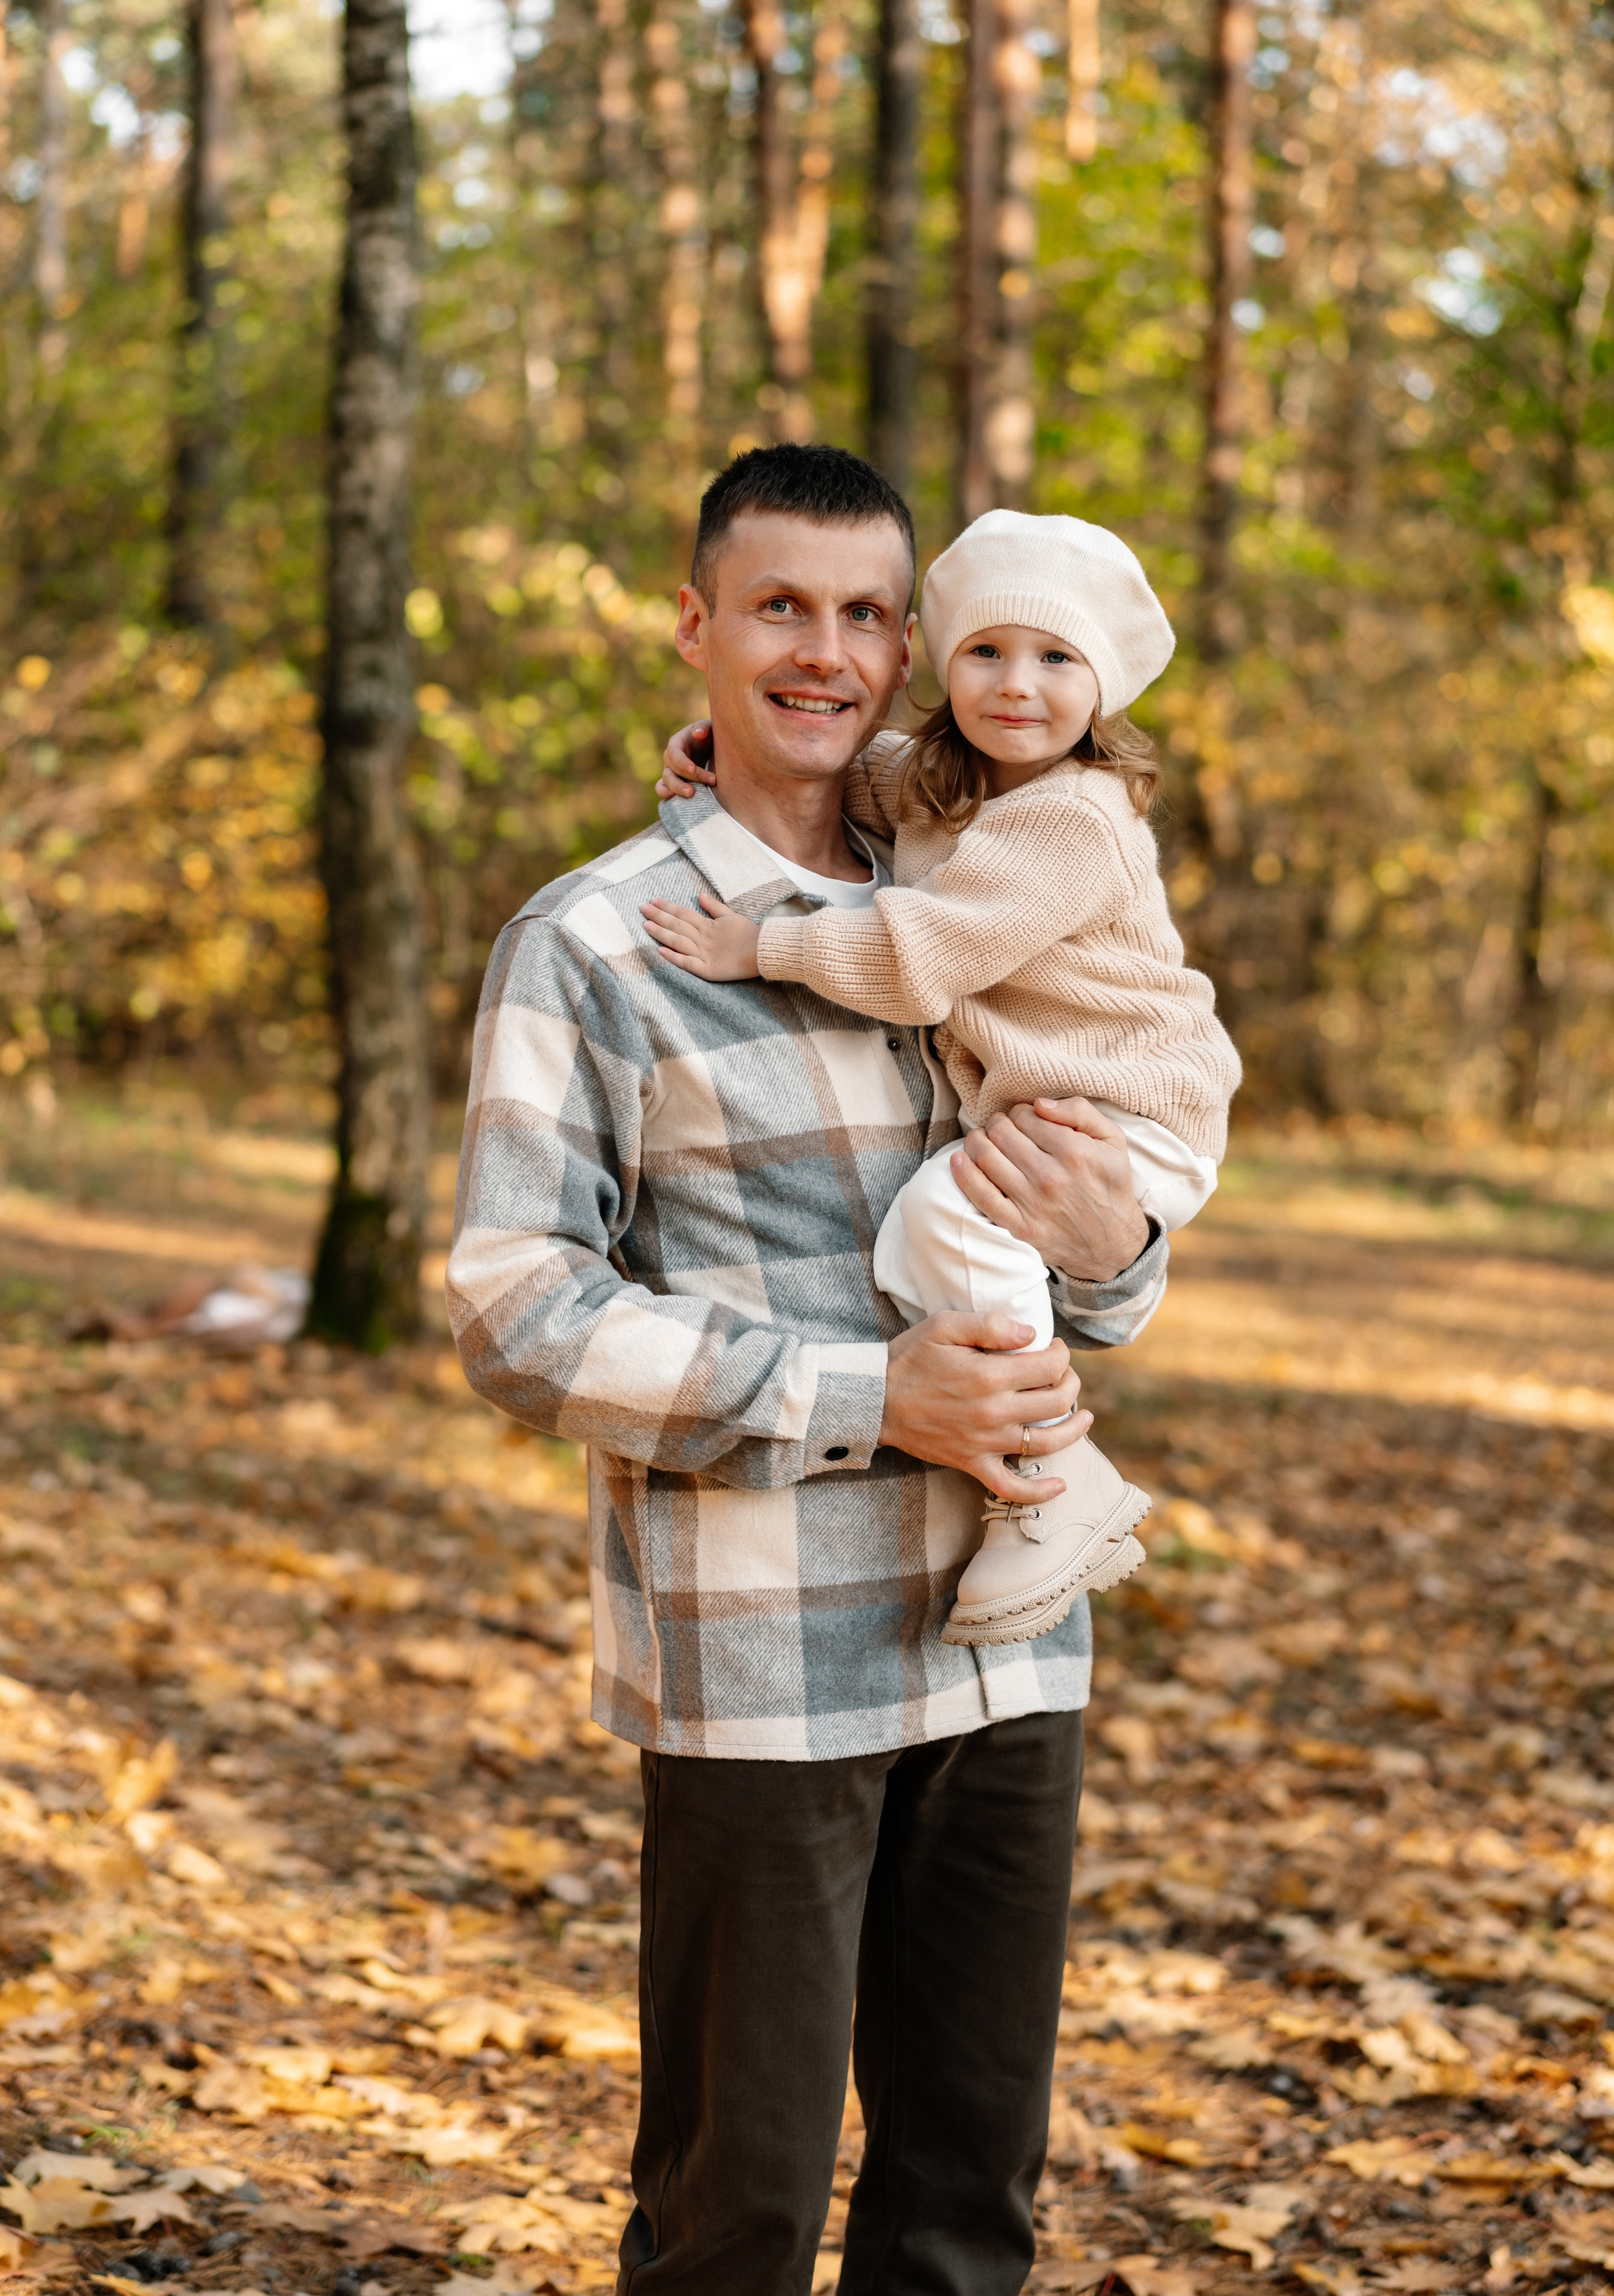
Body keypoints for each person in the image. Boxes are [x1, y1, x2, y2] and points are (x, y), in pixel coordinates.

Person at [446, 445, 1170, 2296]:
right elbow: (517, 1307)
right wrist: (869, 1394)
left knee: (963, 2207)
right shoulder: (594, 942)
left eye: (866, 614)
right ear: (697, 625)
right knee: (737, 2215)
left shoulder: (979, 888)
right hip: (765, 1655)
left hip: (1010, 1645)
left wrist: (1118, 1250)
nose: (824, 651)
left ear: (910, 642)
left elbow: (1090, 1257)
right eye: (779, 605)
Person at [644, 508, 1239, 1652]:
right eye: (987, 652)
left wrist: (756, 945)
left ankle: (1047, 1473)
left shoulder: (1071, 817)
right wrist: (717, 744)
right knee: (935, 1238)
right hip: (1064, 1098)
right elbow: (856, 774)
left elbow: (919, 959)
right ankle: (1042, 1463)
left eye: (1057, 658)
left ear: (1103, 686)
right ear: (939, 661)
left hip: (1129, 1102)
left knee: (937, 1223)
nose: (1019, 685)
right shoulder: (956, 785)